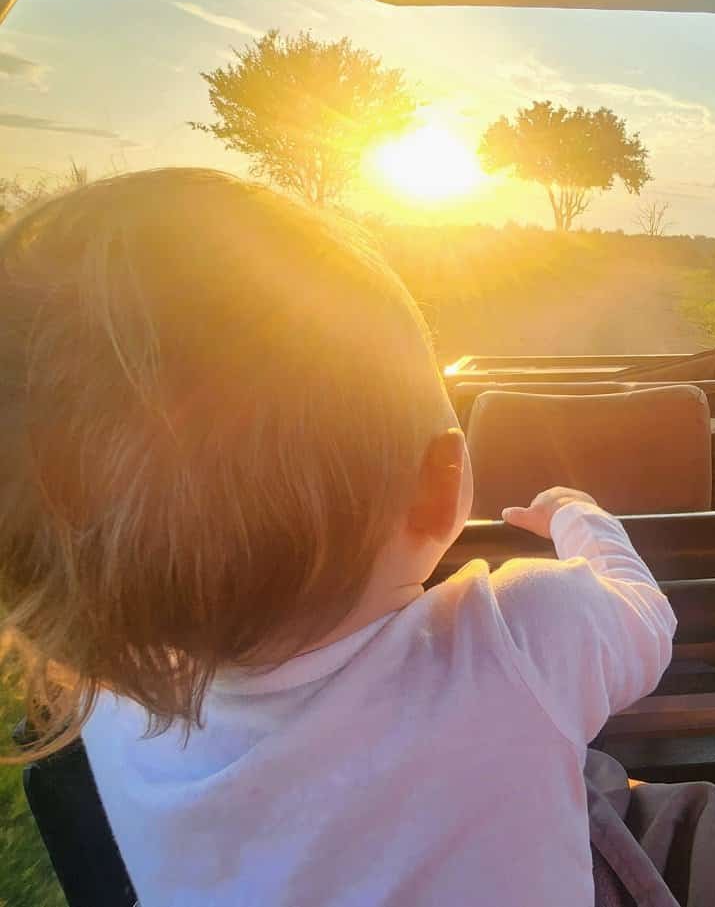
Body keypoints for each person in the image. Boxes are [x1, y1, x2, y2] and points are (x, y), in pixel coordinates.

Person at [0, 170, 677, 906]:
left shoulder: (112, 708)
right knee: (690, 820)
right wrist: (579, 515)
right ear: (440, 480)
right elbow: (646, 618)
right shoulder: (519, 634)